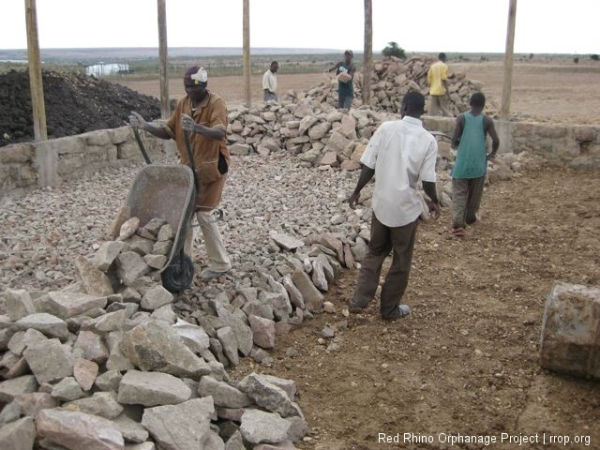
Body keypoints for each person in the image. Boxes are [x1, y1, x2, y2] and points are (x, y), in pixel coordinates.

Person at [128, 65, 232, 282]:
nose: (189, 92)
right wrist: (146, 126)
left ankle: (221, 264)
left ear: (204, 86)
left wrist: (197, 128)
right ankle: (183, 261)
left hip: (212, 168)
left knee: (203, 214)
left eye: (194, 88)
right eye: (186, 87)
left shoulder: (216, 103)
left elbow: (220, 131)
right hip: (189, 170)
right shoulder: (183, 104)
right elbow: (168, 131)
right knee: (184, 215)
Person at [346, 91, 441, 321]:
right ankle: (389, 309)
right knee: (401, 260)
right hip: (406, 211)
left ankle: (360, 300)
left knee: (375, 253)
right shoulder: (428, 140)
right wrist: (435, 201)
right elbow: (428, 180)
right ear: (422, 110)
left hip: (382, 204)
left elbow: (369, 165)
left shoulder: (386, 129)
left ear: (404, 106)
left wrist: (357, 190)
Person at [449, 92, 500, 237]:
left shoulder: (461, 119)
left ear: (470, 103)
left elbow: (453, 141)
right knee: (475, 195)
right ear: (483, 106)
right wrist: (492, 154)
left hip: (462, 165)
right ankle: (470, 217)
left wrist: (459, 144)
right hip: (478, 165)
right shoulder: (487, 121)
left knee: (459, 194)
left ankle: (458, 225)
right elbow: (496, 140)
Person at [427, 52, 451, 116]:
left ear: (438, 58)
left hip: (433, 91)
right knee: (445, 109)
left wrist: (431, 87)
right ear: (444, 58)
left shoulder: (432, 66)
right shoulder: (444, 66)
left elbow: (429, 79)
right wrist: (448, 93)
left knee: (432, 111)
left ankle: (431, 124)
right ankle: (447, 123)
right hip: (441, 91)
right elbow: (444, 79)